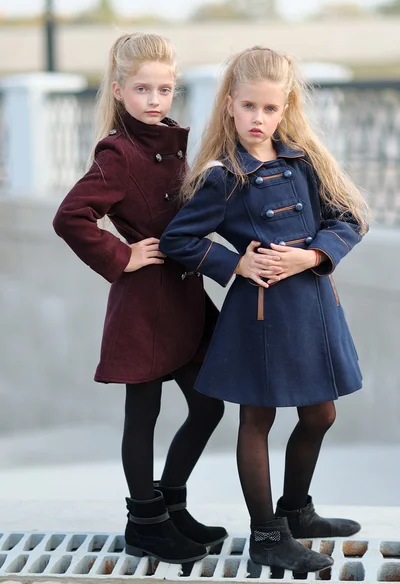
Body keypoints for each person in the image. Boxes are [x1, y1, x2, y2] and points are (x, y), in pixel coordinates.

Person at [159, 46, 369, 572]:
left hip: (317, 304)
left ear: (285, 108)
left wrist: (313, 254)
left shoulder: (305, 160)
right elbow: (179, 239)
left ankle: (296, 511)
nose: (259, 119)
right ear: (230, 104)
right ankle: (267, 534)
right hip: (261, 314)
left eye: (270, 109)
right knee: (257, 419)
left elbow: (350, 220)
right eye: (249, 106)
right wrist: (236, 266)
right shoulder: (223, 176)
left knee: (321, 412)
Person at [53, 32, 228, 564]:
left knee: (207, 405)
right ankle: (144, 522)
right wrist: (122, 255)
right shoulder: (119, 153)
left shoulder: (173, 143)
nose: (155, 100)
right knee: (143, 415)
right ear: (120, 90)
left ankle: (170, 504)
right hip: (146, 304)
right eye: (143, 90)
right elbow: (70, 216)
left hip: (185, 299)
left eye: (165, 90)